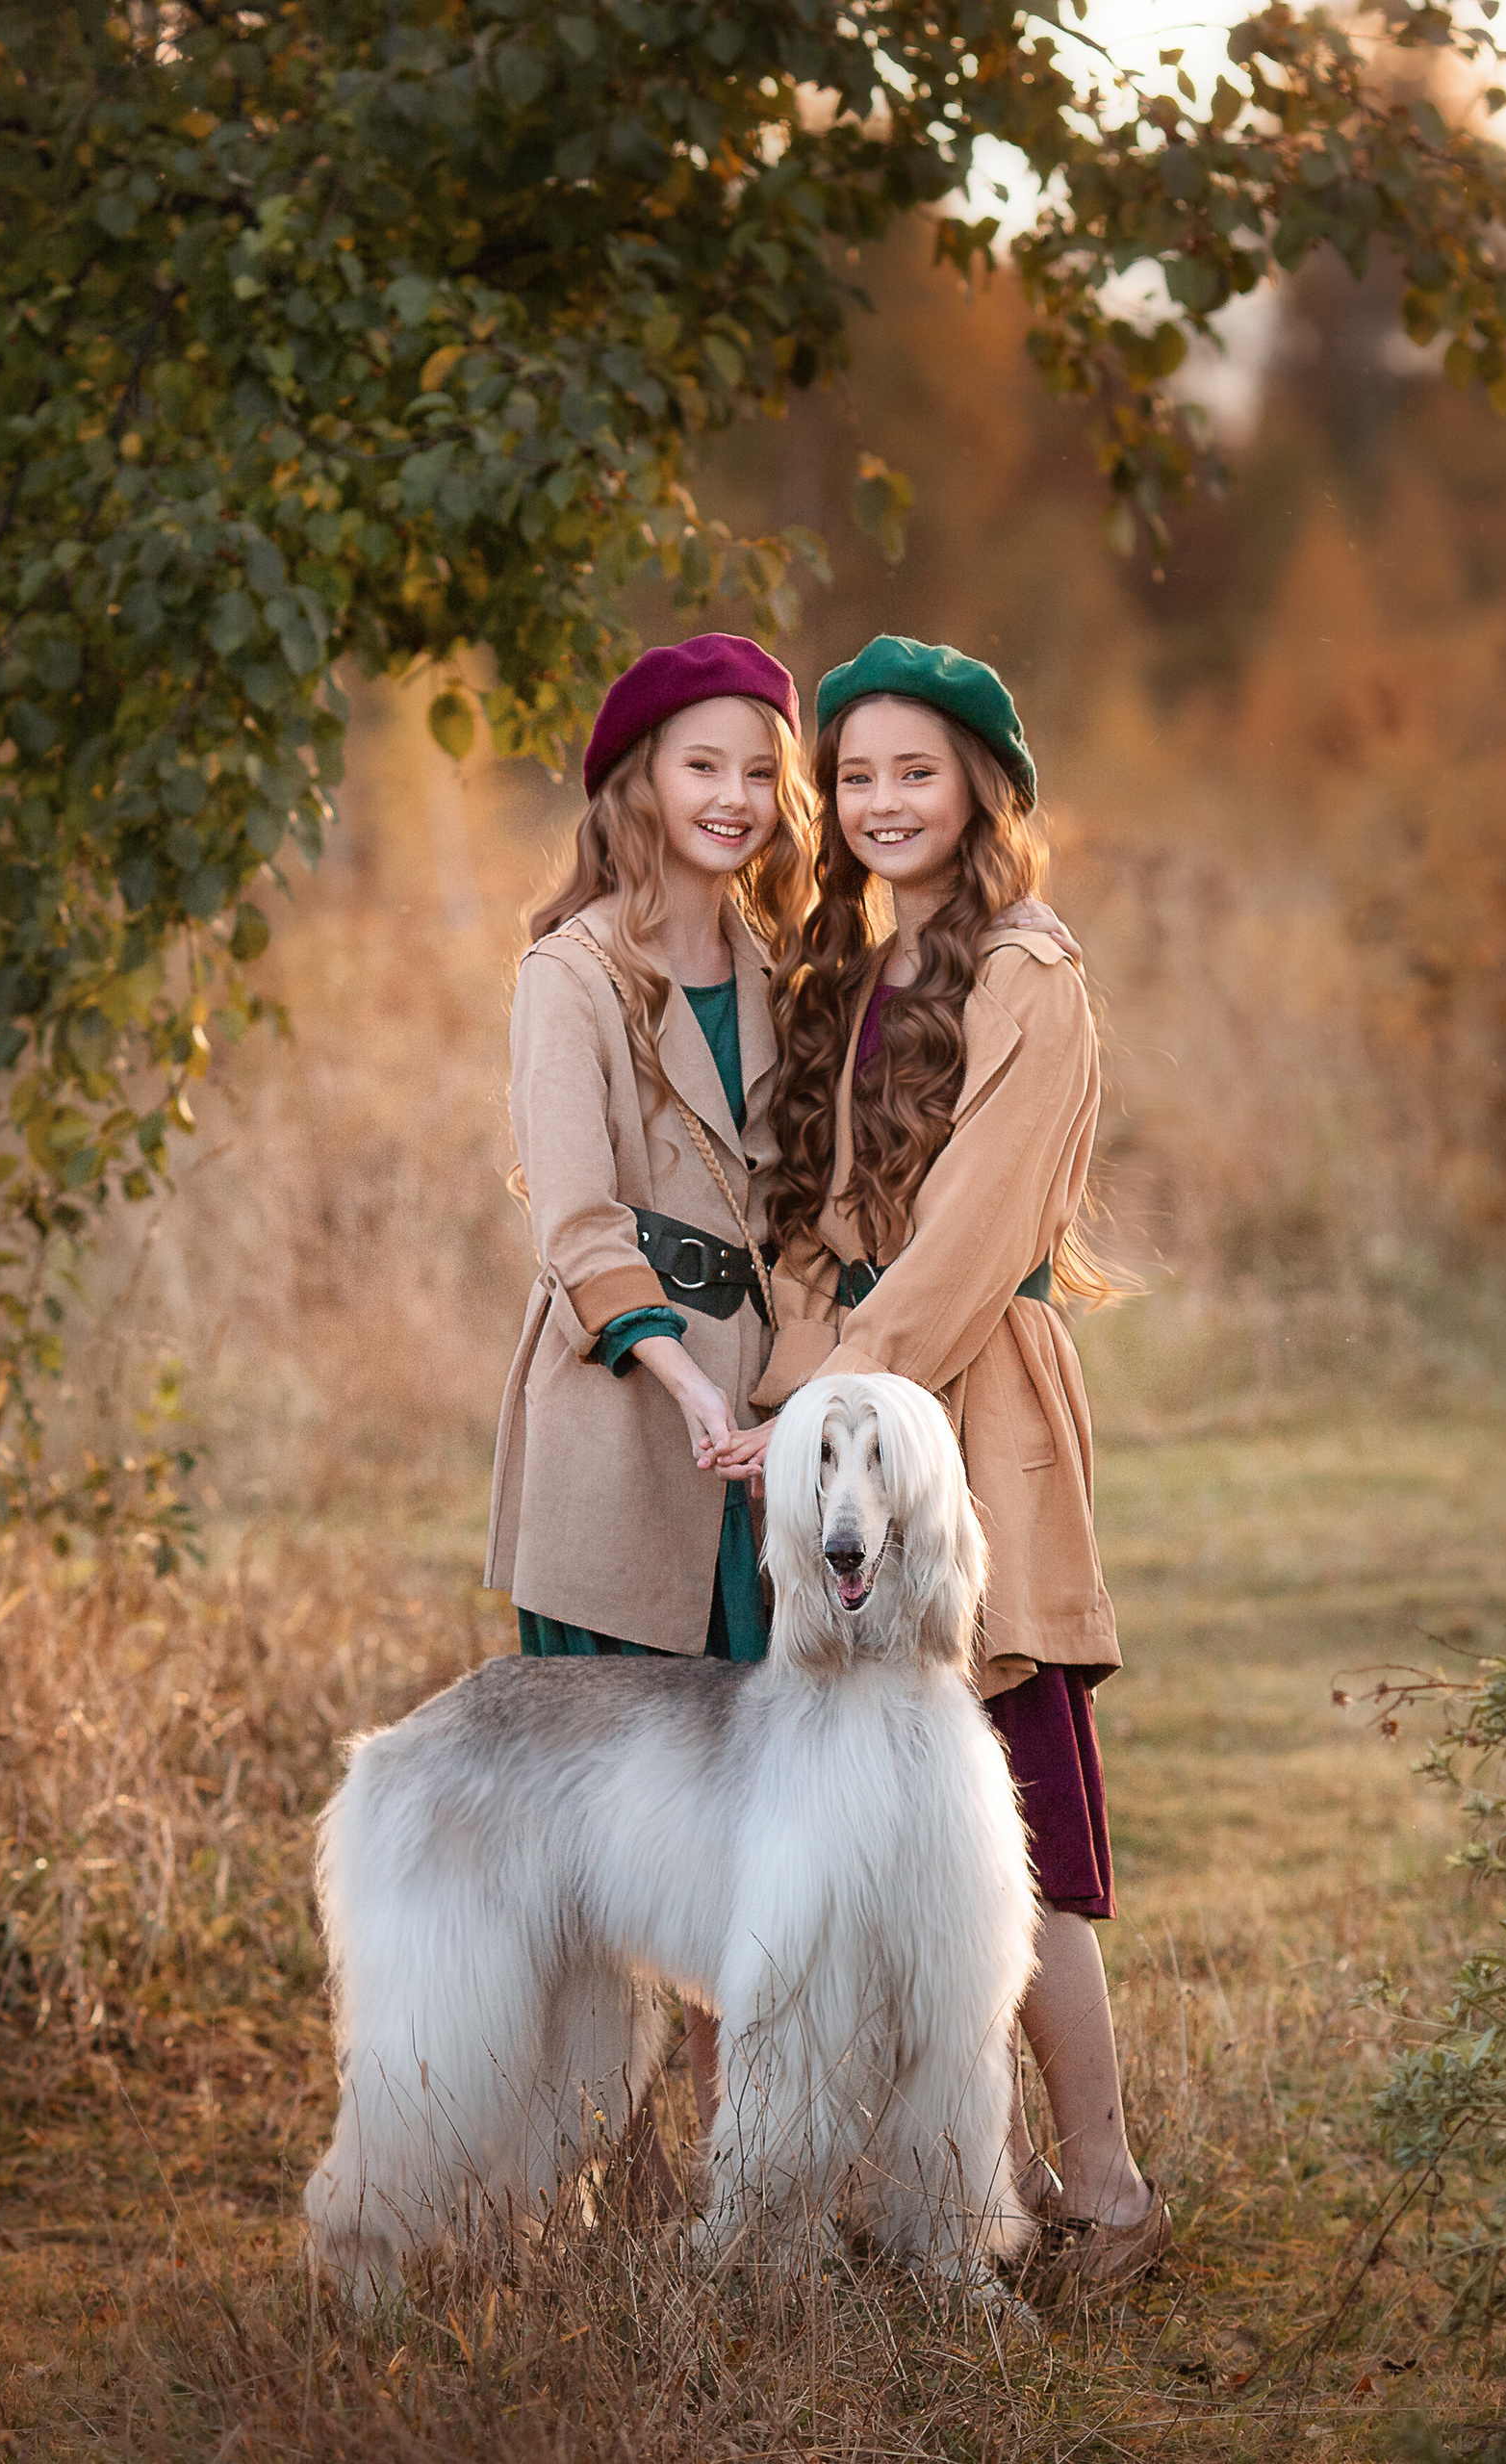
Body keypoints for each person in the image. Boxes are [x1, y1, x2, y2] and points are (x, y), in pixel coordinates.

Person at [722, 634, 1170, 2295]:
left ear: (985, 784)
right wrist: (770, 1401)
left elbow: (972, 1235)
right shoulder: (858, 974)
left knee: (1014, 1814)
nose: (884, 801)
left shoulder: (1027, 970)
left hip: (968, 1417)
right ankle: (913, 2187)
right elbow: (831, 1230)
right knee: (860, 1804)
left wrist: (838, 1396)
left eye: (919, 770)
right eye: (855, 776)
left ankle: (1110, 2190)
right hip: (849, 1416)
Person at [486, 632, 812, 2191]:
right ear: (638, 780)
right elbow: (577, 1225)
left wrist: (792, 1394)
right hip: (630, 1435)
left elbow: (811, 1210)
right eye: (706, 765)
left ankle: (733, 2177)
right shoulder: (571, 974)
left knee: (747, 1828)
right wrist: (688, 1382)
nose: (737, 797)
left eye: (763, 769)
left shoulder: (791, 974)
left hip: (765, 1449)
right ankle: (600, 2189)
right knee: (615, 1839)